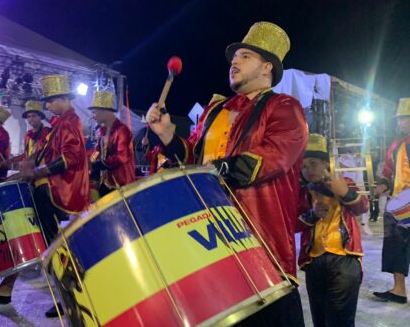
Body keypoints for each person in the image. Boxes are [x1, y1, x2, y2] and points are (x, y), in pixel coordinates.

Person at [146, 22, 308, 326]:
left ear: (266, 67)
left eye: (245, 56)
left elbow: (272, 158)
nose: (234, 61)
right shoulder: (215, 111)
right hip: (209, 245)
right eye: (234, 57)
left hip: (261, 246)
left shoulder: (284, 107)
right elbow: (191, 159)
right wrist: (167, 134)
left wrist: (212, 172)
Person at [0, 75, 90, 318]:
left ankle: (72, 298)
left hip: (58, 193)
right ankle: (7, 287)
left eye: (49, 102)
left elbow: (71, 159)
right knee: (45, 244)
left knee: (56, 248)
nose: (46, 107)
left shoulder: (69, 122)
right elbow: (45, 155)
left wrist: (35, 171)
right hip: (46, 189)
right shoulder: (60, 123)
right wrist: (27, 167)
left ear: (61, 99)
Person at [297, 134, 368, 327]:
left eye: (312, 163)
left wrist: (345, 192)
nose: (308, 170)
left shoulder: (342, 181)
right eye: (303, 166)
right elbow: (293, 224)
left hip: (344, 258)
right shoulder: (303, 193)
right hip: (313, 260)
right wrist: (312, 214)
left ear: (324, 163)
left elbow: (363, 207)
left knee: (340, 320)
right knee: (319, 318)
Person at [373, 97, 410, 304]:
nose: (400, 122)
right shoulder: (396, 144)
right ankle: (399, 289)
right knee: (396, 245)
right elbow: (388, 170)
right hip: (400, 202)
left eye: (404, 118)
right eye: (399, 119)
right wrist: (383, 185)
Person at [88, 90, 135, 197]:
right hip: (104, 182)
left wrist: (100, 164)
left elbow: (122, 157)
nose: (93, 116)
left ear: (104, 111)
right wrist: (89, 162)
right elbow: (97, 152)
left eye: (95, 112)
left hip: (121, 185)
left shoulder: (123, 130)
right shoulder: (101, 131)